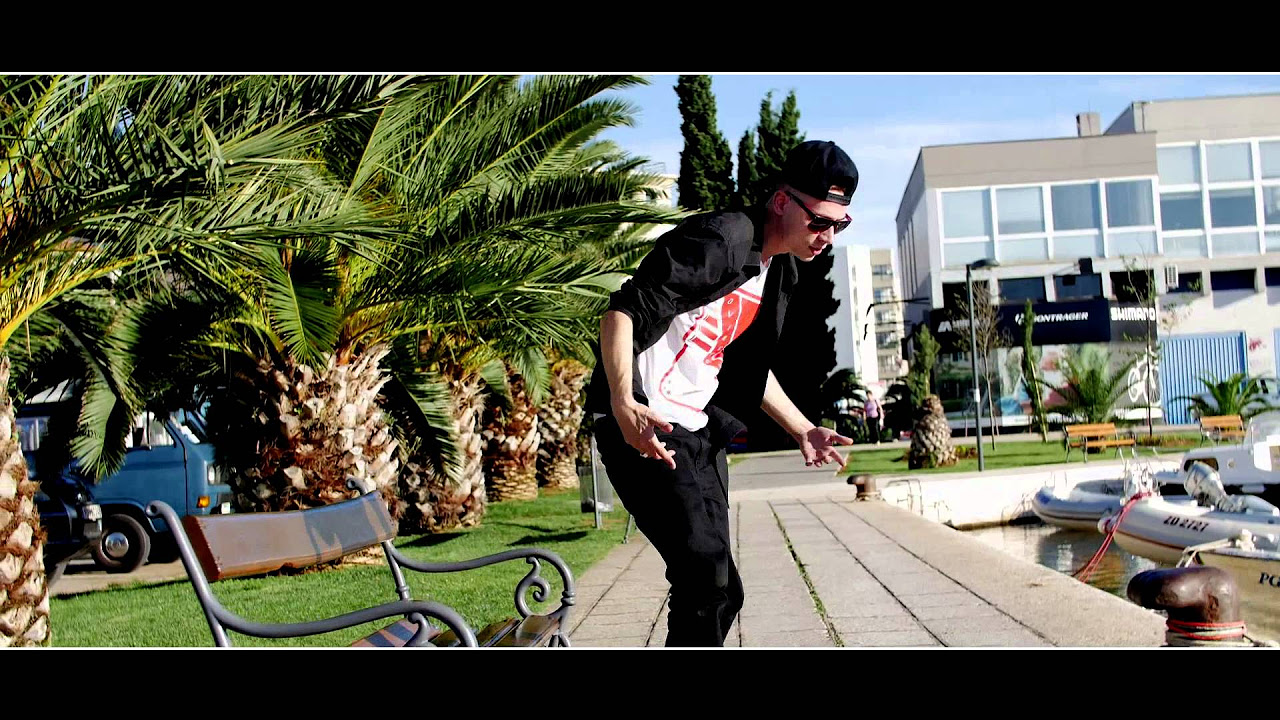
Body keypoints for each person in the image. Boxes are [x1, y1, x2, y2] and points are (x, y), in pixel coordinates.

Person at [584, 140, 860, 647]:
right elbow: (621, 313)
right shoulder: (721, 240)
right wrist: (623, 404)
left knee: (724, 592)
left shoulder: (779, 270)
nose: (826, 236)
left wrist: (802, 429)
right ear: (782, 201)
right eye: (819, 221)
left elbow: (747, 369)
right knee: (704, 577)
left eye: (839, 226)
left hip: (697, 431)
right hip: (645, 426)